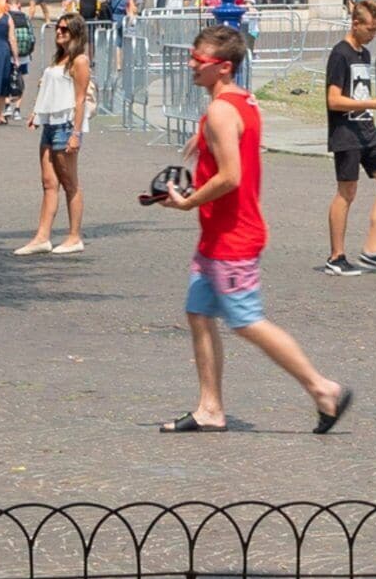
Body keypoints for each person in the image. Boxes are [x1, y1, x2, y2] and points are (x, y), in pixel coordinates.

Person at [151, 23, 352, 435]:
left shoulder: (223, 111)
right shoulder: (237, 102)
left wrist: (187, 201)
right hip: (217, 235)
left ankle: (323, 389)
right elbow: (231, 127)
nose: (191, 64)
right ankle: (210, 408)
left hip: (233, 236)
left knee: (246, 321)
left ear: (223, 67)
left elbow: (230, 176)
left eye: (199, 60)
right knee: (199, 313)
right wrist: (201, 135)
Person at [317, 0, 376, 274]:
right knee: (347, 192)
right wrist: (373, 103)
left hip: (367, 129)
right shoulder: (340, 54)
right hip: (347, 132)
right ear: (355, 24)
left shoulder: (364, 54)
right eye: (370, 29)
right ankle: (336, 256)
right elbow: (334, 100)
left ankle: (372, 251)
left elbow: (360, 93)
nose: (373, 35)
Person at [15, 16, 93, 257]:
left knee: (70, 183)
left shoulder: (80, 61)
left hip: (66, 124)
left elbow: (80, 99)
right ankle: (42, 237)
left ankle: (74, 236)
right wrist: (36, 112)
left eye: (64, 29)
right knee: (48, 183)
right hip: (50, 122)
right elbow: (49, 89)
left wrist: (76, 134)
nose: (58, 32)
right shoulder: (58, 58)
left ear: (75, 32)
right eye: (58, 28)